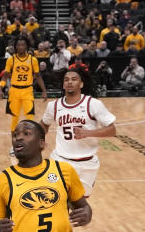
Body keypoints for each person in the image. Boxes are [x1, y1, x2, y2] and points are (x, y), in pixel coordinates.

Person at [40, 66, 116, 196]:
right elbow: (44, 125)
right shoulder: (54, 105)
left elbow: (112, 130)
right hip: (60, 160)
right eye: (66, 80)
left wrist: (88, 133)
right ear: (63, 85)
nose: (70, 82)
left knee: (79, 206)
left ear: (81, 84)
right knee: (54, 198)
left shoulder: (93, 104)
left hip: (87, 163)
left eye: (74, 79)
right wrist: (37, 139)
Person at [0, 36, 48, 142]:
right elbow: (5, 75)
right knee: (14, 119)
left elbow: (38, 76)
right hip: (14, 91)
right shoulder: (11, 60)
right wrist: (0, 88)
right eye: (18, 45)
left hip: (27, 90)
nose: (20, 47)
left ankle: (29, 143)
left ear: (26, 46)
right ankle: (14, 145)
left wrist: (44, 90)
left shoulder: (32, 60)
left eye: (23, 45)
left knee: (30, 118)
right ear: (15, 46)